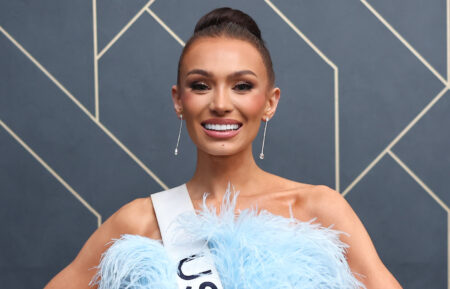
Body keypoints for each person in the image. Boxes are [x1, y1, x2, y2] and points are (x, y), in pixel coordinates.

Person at [44, 7, 402, 289]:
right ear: (178, 100)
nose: (219, 103)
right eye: (200, 85)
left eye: (242, 86)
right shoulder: (141, 221)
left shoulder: (317, 211)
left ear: (270, 102)